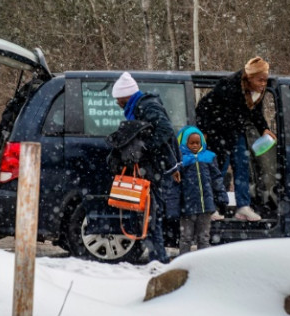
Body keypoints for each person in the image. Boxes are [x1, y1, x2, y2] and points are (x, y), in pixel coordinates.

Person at [110, 72, 181, 264]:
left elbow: (165, 129)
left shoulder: (147, 106)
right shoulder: (141, 105)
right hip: (154, 168)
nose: (117, 103)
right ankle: (156, 255)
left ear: (127, 96)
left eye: (118, 99)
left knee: (151, 212)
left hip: (157, 168)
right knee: (149, 212)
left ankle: (158, 258)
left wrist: (146, 148)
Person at [195, 56, 276, 222]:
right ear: (250, 77)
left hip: (236, 132)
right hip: (219, 132)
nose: (263, 84)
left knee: (242, 166)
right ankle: (210, 207)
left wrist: (264, 129)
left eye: (265, 80)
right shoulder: (228, 85)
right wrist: (203, 130)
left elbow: (256, 114)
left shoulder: (257, 93)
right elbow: (204, 106)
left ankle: (243, 206)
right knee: (219, 170)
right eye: (260, 80)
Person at [176, 126, 229, 254]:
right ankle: (183, 262)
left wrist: (222, 197)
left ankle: (202, 261)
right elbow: (174, 185)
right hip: (187, 206)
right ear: (184, 143)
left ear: (202, 143)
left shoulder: (209, 157)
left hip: (206, 206)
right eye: (191, 143)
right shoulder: (181, 161)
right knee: (186, 237)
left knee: (204, 237)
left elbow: (216, 179)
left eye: (197, 143)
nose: (194, 146)